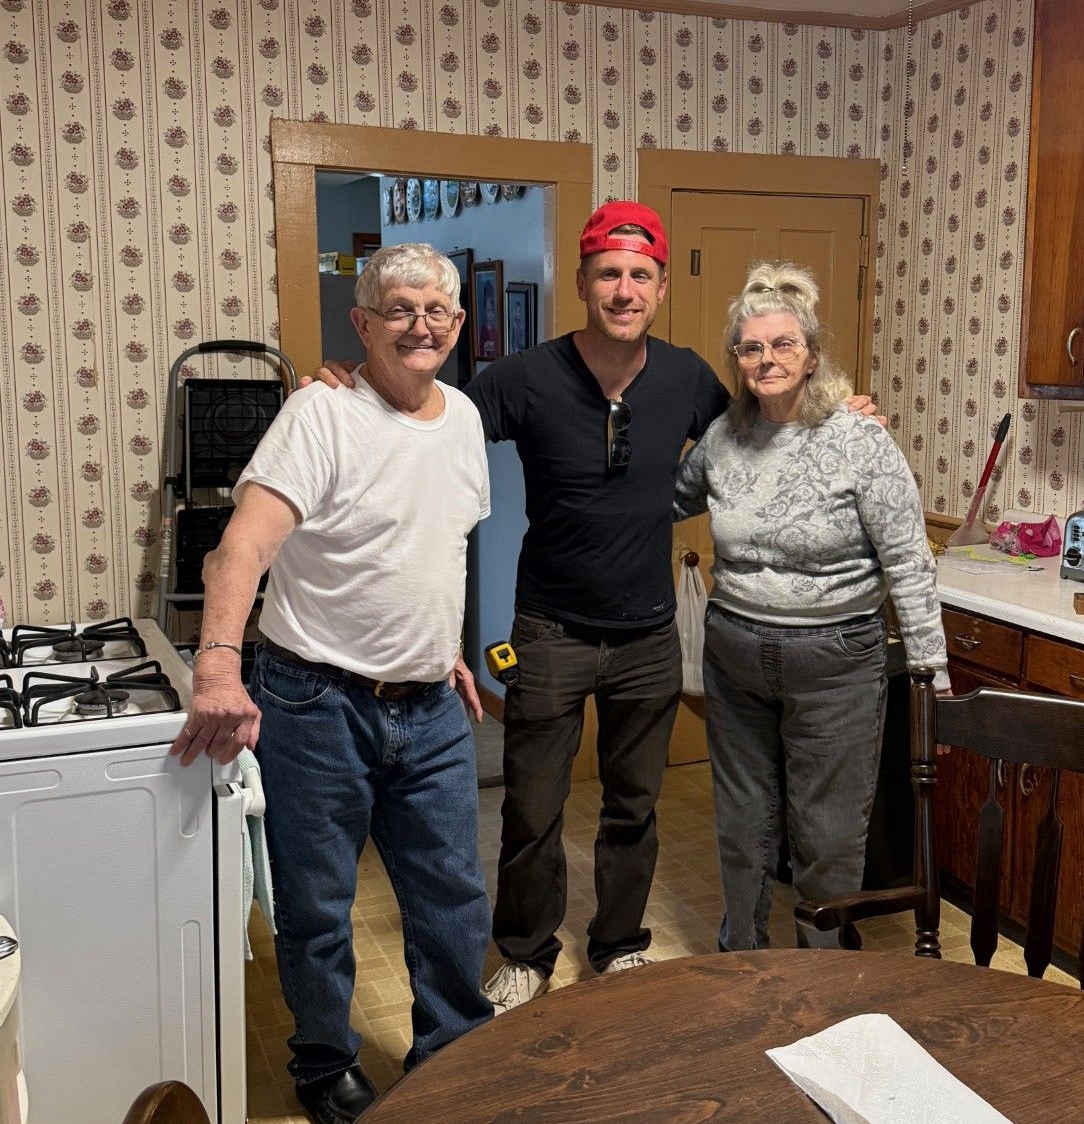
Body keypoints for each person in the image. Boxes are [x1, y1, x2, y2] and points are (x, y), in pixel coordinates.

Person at [308, 204, 881, 1014]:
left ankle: (618, 943)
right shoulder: (525, 377)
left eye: (640, 275)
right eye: (608, 274)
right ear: (581, 282)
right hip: (548, 630)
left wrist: (843, 416)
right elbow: (421, 419)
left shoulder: (686, 378)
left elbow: (761, 432)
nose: (624, 289)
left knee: (632, 806)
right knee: (534, 807)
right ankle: (526, 952)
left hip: (648, 632)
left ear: (657, 287)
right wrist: (349, 384)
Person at [170, 242, 493, 1124]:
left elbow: (438, 548)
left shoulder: (463, 419)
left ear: (459, 326)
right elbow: (241, 549)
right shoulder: (318, 416)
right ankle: (325, 1059)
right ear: (363, 324)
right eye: (399, 309)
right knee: (316, 904)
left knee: (452, 895)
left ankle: (452, 1049)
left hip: (428, 705)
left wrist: (445, 648)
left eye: (437, 310)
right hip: (315, 702)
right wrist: (218, 664)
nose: (420, 324)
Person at [673, 262, 948, 952]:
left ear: (812, 354)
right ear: (736, 359)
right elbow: (666, 500)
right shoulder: (723, 438)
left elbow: (910, 561)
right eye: (750, 347)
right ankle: (741, 954)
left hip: (836, 663)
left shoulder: (859, 438)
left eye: (782, 344)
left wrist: (929, 673)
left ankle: (821, 968)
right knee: (743, 823)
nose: (766, 358)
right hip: (735, 651)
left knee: (827, 831)